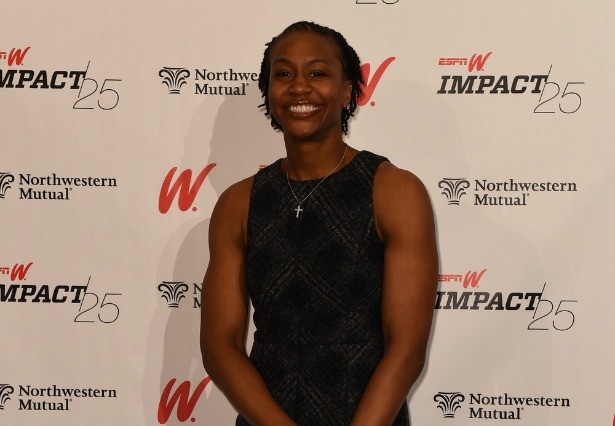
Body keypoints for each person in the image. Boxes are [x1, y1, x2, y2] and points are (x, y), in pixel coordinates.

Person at [200, 21, 438, 426]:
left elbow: (406, 348)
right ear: (268, 92)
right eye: (283, 73)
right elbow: (219, 346)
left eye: (317, 73)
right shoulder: (238, 204)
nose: (299, 87)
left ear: (347, 90)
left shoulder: (394, 191)